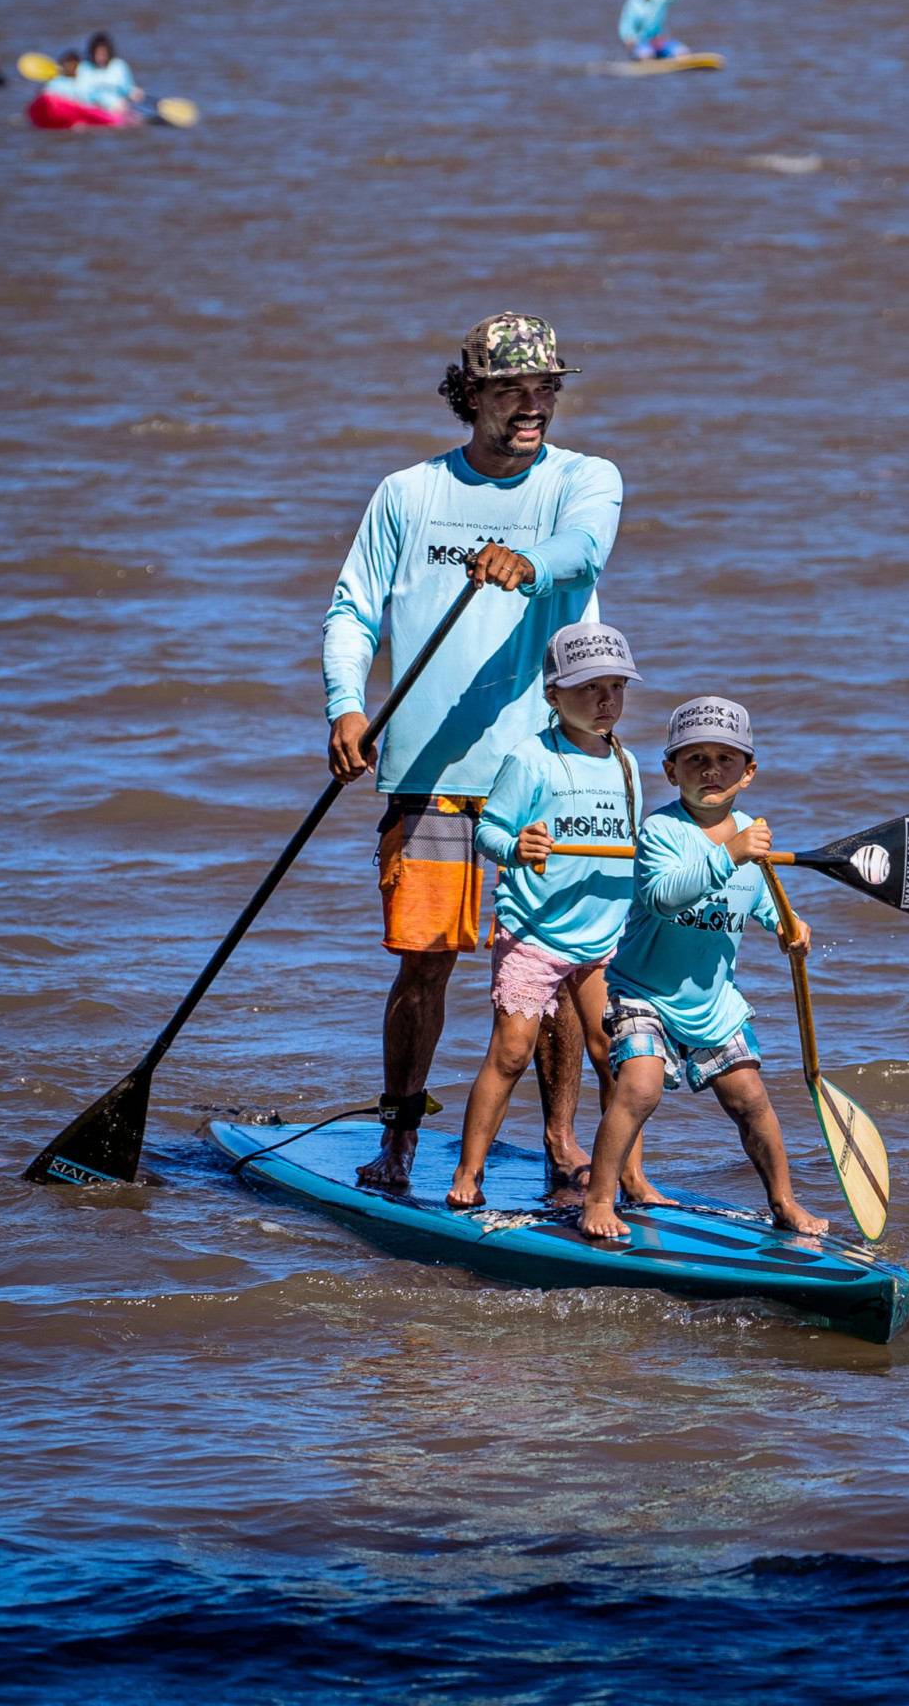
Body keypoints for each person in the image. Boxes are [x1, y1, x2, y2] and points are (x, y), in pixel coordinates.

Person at [323, 313, 624, 1193]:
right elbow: (353, 608)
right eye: (511, 392)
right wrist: (347, 706)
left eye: (546, 390)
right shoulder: (407, 494)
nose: (533, 408)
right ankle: (399, 1141)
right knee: (425, 966)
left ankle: (566, 1149)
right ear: (472, 395)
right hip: (428, 770)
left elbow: (580, 554)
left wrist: (522, 560)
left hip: (551, 766)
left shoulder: (584, 480)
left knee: (559, 968)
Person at [580, 696, 827, 1241]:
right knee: (639, 1089)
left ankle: (784, 1202)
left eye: (725, 758)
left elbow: (764, 901)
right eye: (694, 759)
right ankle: (598, 1198)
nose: (710, 770)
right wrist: (730, 854)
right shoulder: (660, 833)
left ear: (749, 772)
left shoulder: (751, 839)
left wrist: (790, 926)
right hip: (642, 991)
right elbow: (663, 896)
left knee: (751, 1100)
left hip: (713, 1002)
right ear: (670, 771)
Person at [447, 621, 669, 1208]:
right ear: (553, 696)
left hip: (602, 938)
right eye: (590, 688)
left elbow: (629, 848)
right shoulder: (531, 759)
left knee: (615, 1058)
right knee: (512, 1052)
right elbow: (487, 831)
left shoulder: (626, 763)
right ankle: (468, 1175)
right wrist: (516, 845)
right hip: (534, 933)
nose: (606, 702)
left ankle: (627, 1177)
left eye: (617, 688)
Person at [618, 0, 688, 60]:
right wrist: (628, 39)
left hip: (660, 41)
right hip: (641, 42)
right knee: (645, 56)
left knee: (682, 51)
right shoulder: (634, 1)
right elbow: (626, 23)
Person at [76, 32, 143, 113]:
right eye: (98, 53)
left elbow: (127, 89)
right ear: (92, 53)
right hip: (92, 109)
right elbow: (81, 94)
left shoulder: (119, 66)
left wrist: (135, 94)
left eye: (103, 53)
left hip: (117, 108)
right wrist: (99, 104)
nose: (100, 57)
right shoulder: (85, 68)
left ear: (109, 53)